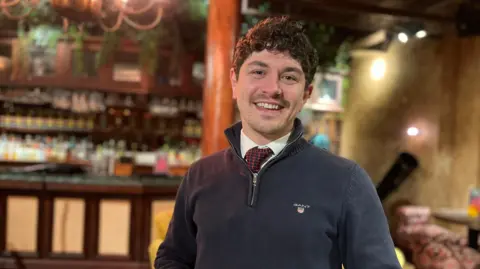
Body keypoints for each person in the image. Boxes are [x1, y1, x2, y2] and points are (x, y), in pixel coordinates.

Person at [155, 16, 401, 269]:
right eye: (258, 72)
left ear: (306, 93)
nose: (272, 88)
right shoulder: (200, 174)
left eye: (289, 77)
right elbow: (173, 258)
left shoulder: (347, 181)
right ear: (234, 82)